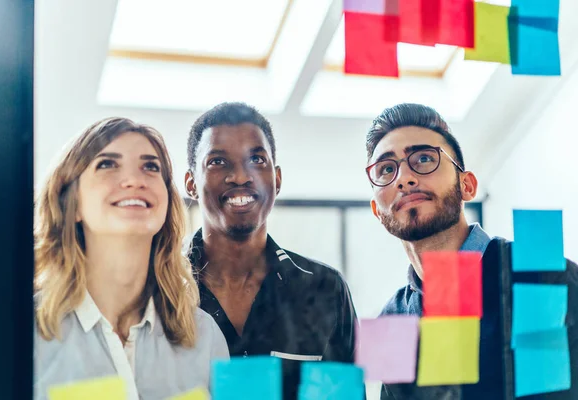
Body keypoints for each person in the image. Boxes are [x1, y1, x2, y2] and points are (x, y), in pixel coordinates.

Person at [365, 103, 578, 399]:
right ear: (377, 210)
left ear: (467, 185)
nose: (404, 178)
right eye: (387, 169)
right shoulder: (391, 320)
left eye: (424, 159)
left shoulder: (542, 277)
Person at [33, 117, 229, 400]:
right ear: (72, 203)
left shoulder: (204, 336)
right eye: (107, 164)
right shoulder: (23, 335)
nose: (135, 180)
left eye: (150, 167)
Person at [183, 102, 358, 400]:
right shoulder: (158, 287)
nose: (240, 176)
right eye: (217, 162)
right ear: (191, 183)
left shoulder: (325, 289)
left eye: (256, 159)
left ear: (277, 179)